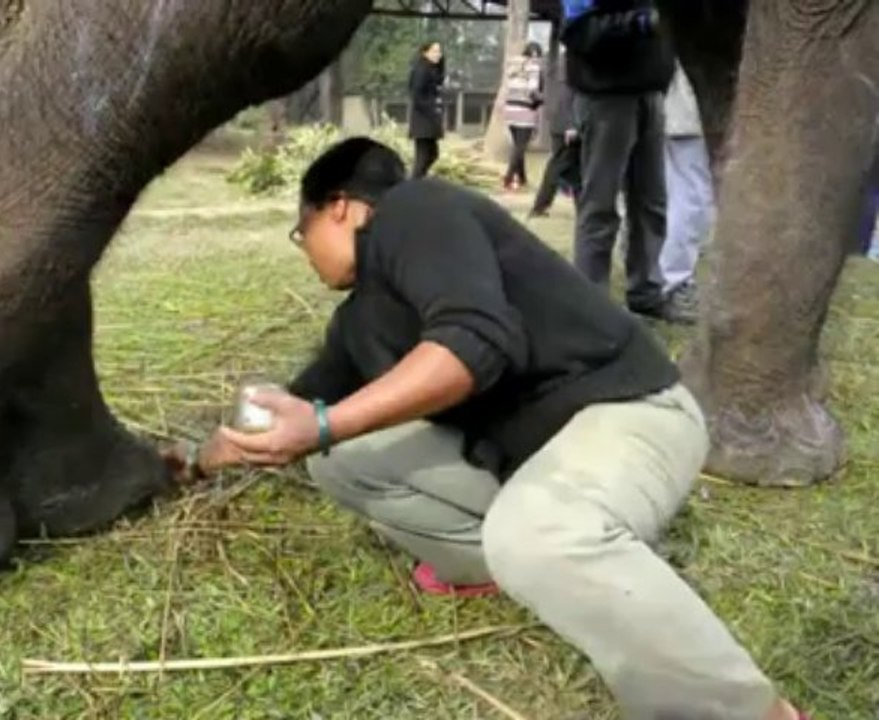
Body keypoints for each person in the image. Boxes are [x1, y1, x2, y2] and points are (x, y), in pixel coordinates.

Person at [166, 138, 809, 720]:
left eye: (298, 233)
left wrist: (326, 421)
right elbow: (300, 413)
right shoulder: (360, 322)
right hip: (533, 458)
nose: (304, 252)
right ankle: (484, 563)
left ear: (337, 207)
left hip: (628, 411)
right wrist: (203, 455)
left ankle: (749, 714)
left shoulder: (415, 210)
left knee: (536, 532)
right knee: (338, 457)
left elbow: (474, 344)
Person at [562, 0, 694, 323]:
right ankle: (591, 303)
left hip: (650, 93)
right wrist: (641, 23)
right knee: (600, 205)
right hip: (606, 97)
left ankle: (647, 292)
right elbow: (580, 32)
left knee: (651, 203)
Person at [658, 61, 713, 313]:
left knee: (679, 196)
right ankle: (675, 280)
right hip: (691, 114)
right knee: (693, 200)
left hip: (678, 111)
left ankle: (668, 276)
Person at [529, 48, 582, 218]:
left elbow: (543, 94)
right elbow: (566, 95)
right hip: (567, 125)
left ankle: (582, 208)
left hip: (559, 122)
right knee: (559, 165)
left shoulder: (554, 61)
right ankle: (540, 205)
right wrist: (571, 124)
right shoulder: (569, 62)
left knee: (575, 168)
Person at [501, 42, 546, 191]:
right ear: (536, 56)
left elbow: (508, 86)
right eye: (538, 57)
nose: (538, 60)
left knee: (518, 146)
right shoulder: (534, 67)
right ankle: (508, 178)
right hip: (525, 111)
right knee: (520, 147)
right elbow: (532, 91)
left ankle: (522, 178)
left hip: (510, 109)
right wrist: (541, 100)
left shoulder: (513, 66)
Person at [408, 41, 445, 179]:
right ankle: (414, 185)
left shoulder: (431, 68)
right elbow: (416, 95)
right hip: (422, 119)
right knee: (423, 156)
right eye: (434, 51)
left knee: (432, 154)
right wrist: (432, 110)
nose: (438, 54)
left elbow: (439, 81)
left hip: (429, 119)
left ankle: (418, 181)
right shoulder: (421, 69)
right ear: (425, 52)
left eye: (439, 51)